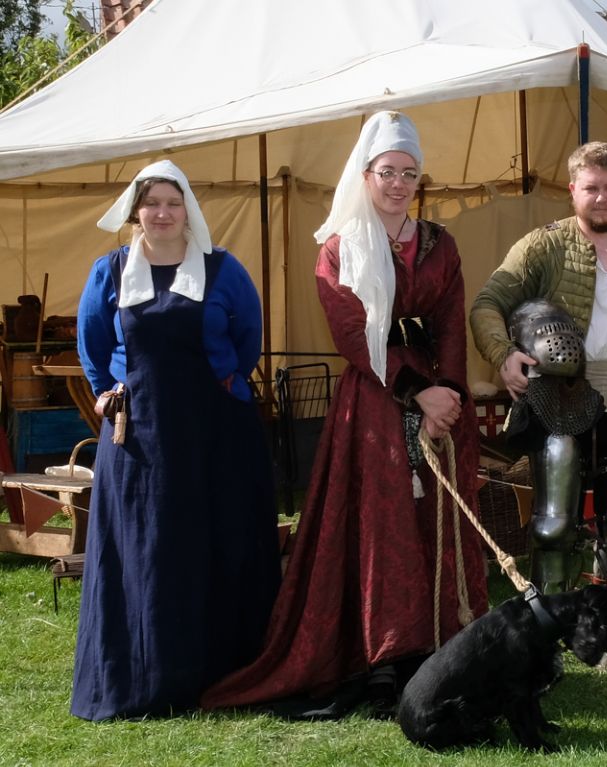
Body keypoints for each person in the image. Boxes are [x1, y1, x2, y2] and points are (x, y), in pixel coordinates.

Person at [203, 111, 486, 719]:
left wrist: (451, 394)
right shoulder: (339, 249)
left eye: (410, 173)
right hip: (377, 403)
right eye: (388, 172)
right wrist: (417, 393)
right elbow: (352, 332)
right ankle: (383, 658)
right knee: (382, 526)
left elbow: (451, 322)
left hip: (439, 401)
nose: (399, 183)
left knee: (433, 521)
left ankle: (439, 648)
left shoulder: (441, 244)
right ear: (366, 175)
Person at [469, 141, 607, 675]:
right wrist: (503, 356)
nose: (601, 197)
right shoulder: (541, 246)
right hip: (561, 398)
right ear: (573, 189)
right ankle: (543, 646)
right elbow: (487, 303)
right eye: (590, 187)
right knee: (552, 526)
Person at [70, 160, 280, 720]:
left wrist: (226, 383)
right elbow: (90, 343)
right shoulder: (109, 272)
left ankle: (221, 673)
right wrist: (104, 388)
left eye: (172, 201)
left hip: (215, 434)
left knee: (216, 542)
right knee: (146, 548)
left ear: (188, 208)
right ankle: (145, 678)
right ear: (135, 211)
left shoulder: (223, 269)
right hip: (138, 436)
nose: (162, 213)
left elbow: (247, 337)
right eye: (151, 203)